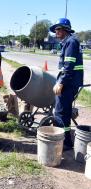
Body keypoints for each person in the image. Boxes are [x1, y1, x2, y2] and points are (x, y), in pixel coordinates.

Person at [49, 18, 84, 150]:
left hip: (69, 82)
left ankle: (62, 141)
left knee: (60, 112)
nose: (56, 32)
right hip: (70, 82)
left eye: (58, 29)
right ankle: (67, 141)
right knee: (64, 112)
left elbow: (68, 66)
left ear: (66, 29)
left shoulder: (71, 42)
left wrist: (61, 83)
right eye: (55, 29)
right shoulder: (69, 42)